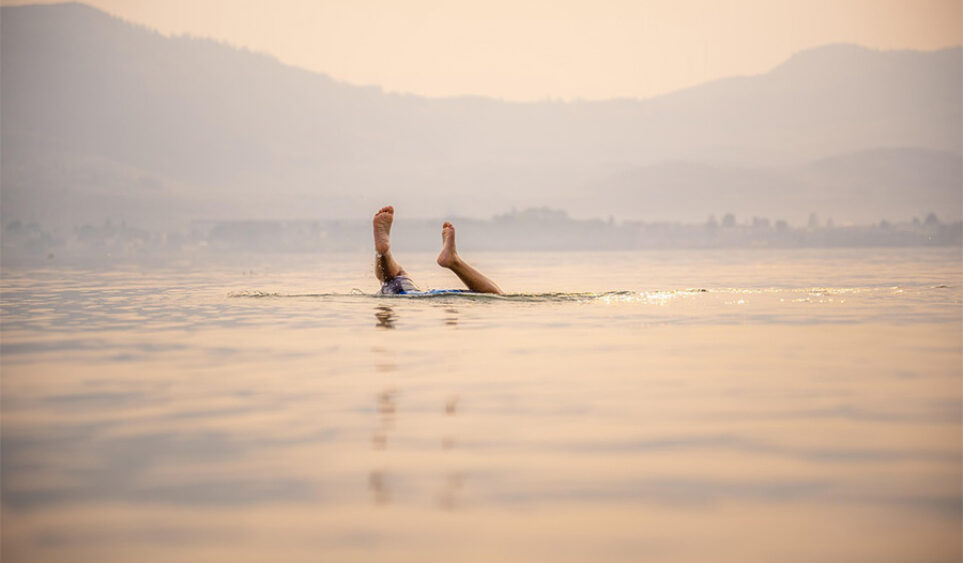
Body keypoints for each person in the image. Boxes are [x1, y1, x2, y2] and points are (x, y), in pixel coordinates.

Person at [373, 205, 503, 295]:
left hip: (406, 293)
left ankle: (383, 253)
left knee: (395, 276)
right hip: (433, 295)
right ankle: (454, 261)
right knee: (495, 295)